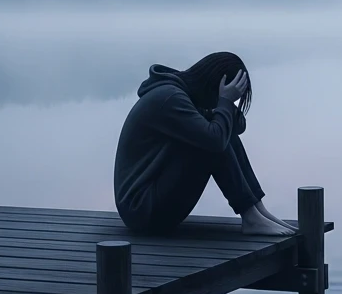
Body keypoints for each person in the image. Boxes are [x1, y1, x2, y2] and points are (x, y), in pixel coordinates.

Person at [114, 52, 295, 238]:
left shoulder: (183, 95)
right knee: (212, 140)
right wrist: (223, 102)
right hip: (142, 211)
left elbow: (239, 126)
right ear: (214, 85)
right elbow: (215, 141)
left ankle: (257, 210)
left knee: (223, 134)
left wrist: (225, 103)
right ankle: (250, 217)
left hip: (150, 205)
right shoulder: (170, 98)